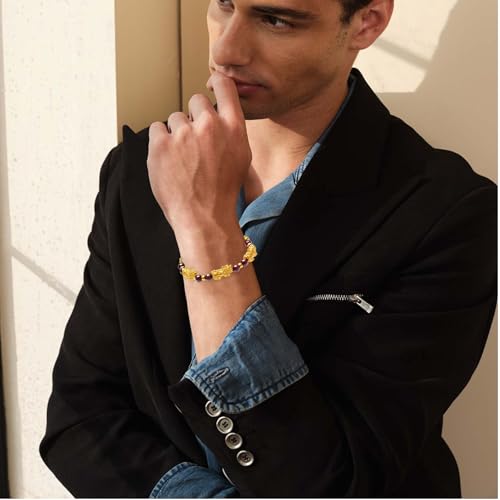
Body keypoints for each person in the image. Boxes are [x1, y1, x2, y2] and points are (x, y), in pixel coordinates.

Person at [40, 0, 497, 497]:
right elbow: (79, 418)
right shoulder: (140, 168)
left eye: (275, 19)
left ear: (367, 22)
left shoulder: (446, 213)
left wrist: (207, 231)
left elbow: (334, 483)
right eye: (223, 4)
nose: (225, 50)